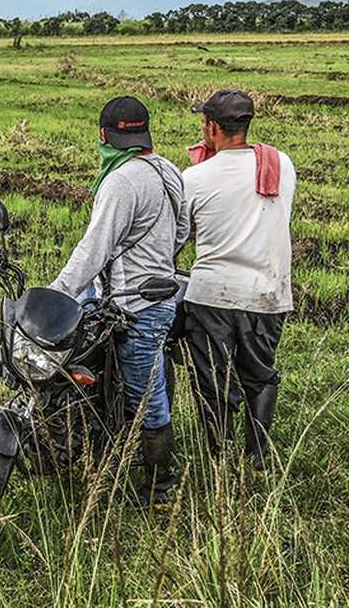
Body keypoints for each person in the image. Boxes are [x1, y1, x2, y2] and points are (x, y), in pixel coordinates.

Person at [47, 96, 188, 506]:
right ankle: (101, 451)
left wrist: (55, 294)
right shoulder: (168, 171)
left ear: (103, 137)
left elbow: (94, 249)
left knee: (147, 393)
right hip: (155, 294)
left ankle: (161, 487)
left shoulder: (120, 181)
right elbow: (181, 233)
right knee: (101, 375)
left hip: (135, 305)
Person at [182, 90, 295, 470]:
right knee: (260, 376)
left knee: (212, 380)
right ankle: (258, 457)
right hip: (267, 293)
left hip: (211, 293)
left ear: (212, 127)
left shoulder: (194, 177)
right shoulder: (279, 164)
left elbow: (184, 233)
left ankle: (218, 457)